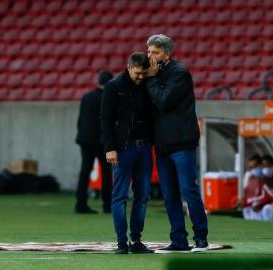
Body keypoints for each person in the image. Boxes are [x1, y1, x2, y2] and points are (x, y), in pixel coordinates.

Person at [145, 34, 208, 253]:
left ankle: (201, 238)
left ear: (167, 54)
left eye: (155, 52)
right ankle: (179, 240)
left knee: (188, 190)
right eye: (149, 52)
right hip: (163, 144)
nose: (150, 56)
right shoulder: (154, 74)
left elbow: (164, 101)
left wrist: (150, 79)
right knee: (170, 194)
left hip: (182, 142)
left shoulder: (179, 73)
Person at [100, 52, 154, 254]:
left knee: (142, 195)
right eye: (138, 74)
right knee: (120, 196)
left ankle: (136, 240)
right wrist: (109, 147)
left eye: (144, 74)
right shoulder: (114, 87)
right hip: (123, 149)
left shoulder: (147, 85)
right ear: (129, 67)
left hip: (144, 148)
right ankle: (122, 242)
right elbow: (105, 119)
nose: (141, 78)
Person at [75, 69, 113, 214]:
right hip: (101, 141)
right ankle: (107, 205)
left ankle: (80, 204)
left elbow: (81, 120)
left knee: (85, 171)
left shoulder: (86, 97)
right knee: (106, 173)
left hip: (85, 140)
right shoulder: (107, 98)